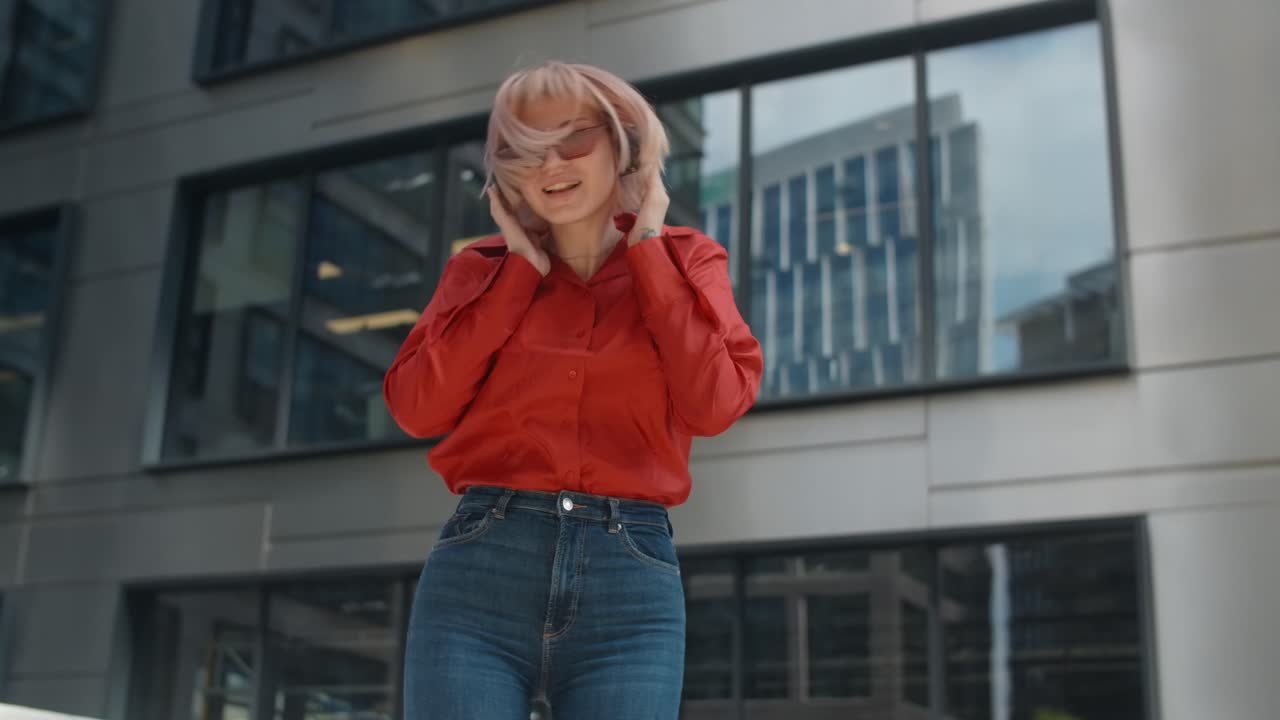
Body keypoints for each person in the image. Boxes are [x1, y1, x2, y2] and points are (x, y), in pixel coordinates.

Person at [383, 60, 763, 720]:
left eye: (572, 139)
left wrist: (646, 247)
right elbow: (417, 408)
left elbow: (716, 402)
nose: (547, 165)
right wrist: (518, 277)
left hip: (629, 580)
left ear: (624, 141)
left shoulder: (686, 260)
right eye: (522, 151)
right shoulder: (479, 271)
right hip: (481, 567)